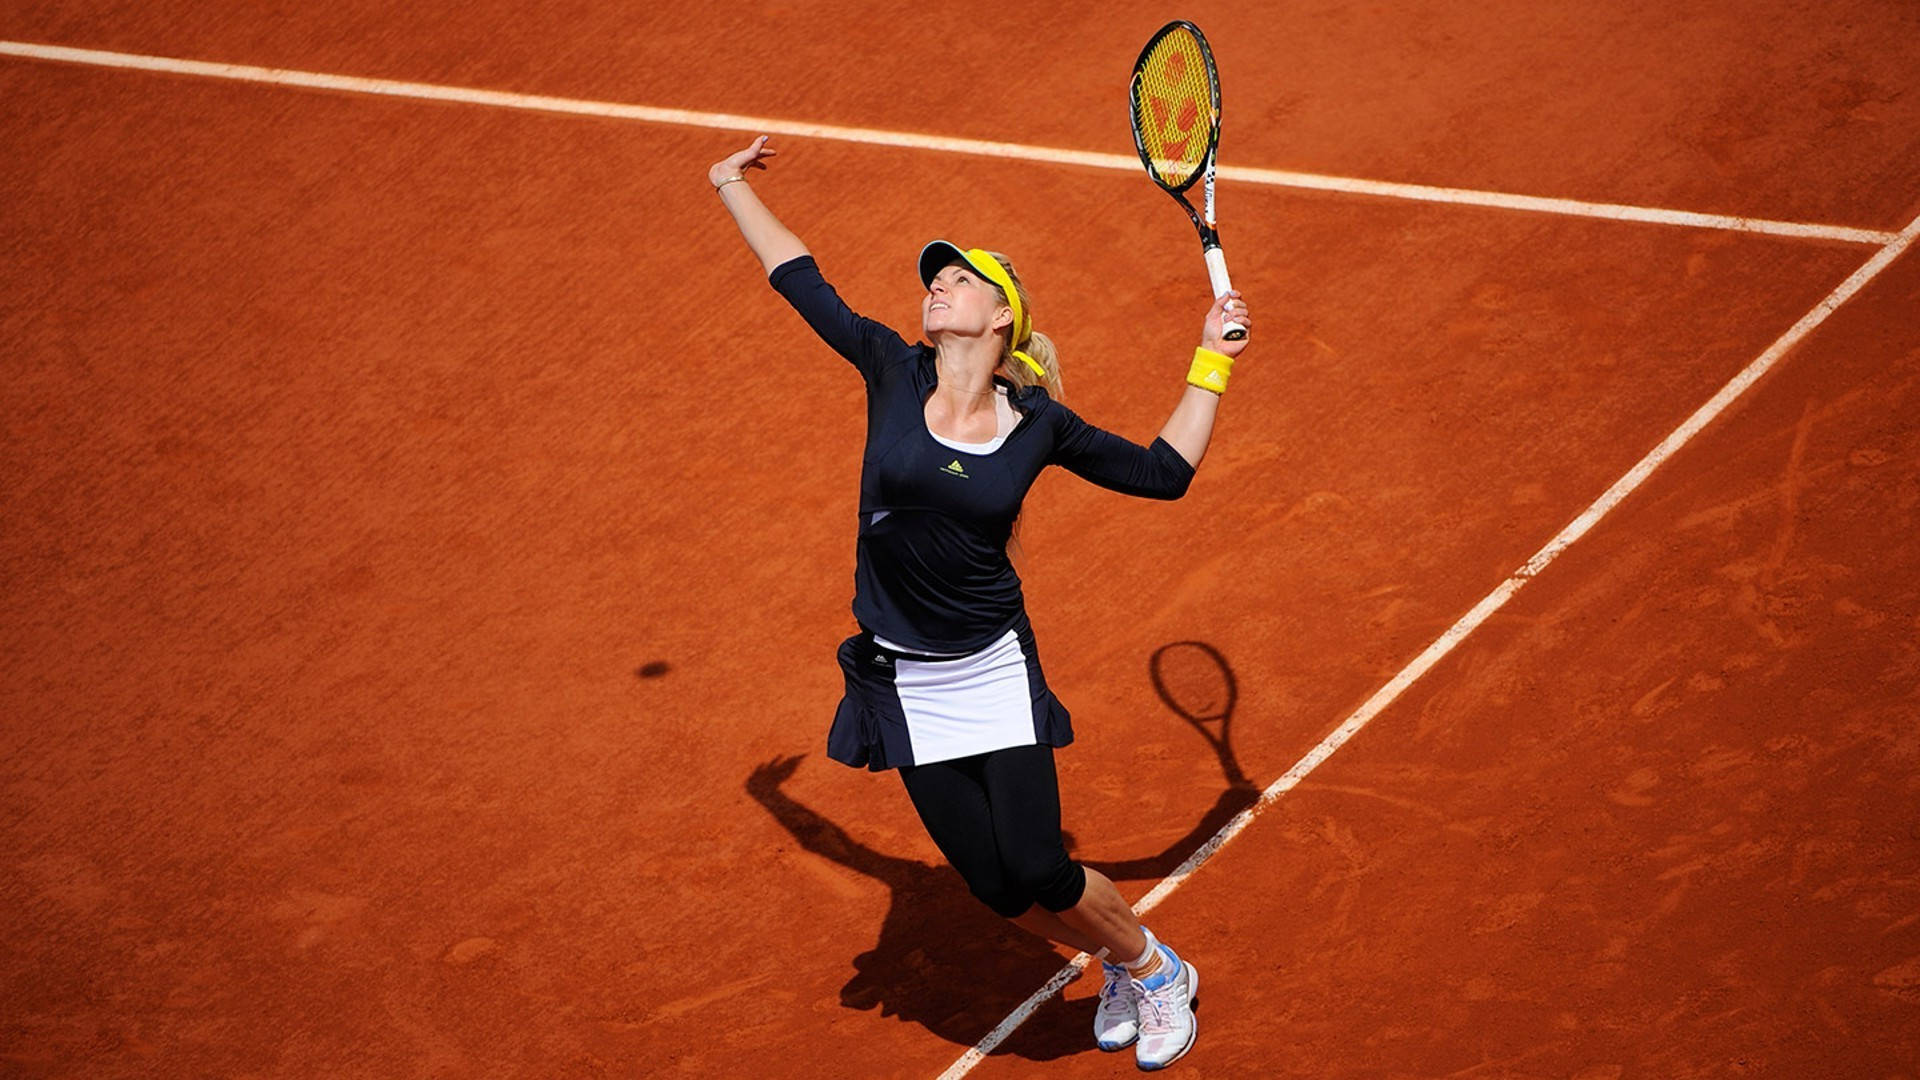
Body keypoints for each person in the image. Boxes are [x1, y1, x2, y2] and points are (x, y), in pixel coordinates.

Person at [710, 135, 1251, 1071]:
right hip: (899, 680)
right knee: (994, 887)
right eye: (934, 280)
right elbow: (797, 276)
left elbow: (1163, 475)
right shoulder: (889, 365)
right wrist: (727, 185)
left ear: (1002, 316)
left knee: (1039, 864)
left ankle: (1155, 969)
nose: (936, 287)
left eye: (958, 280)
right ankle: (1122, 962)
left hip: (991, 668)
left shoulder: (1039, 425)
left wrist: (1211, 360)